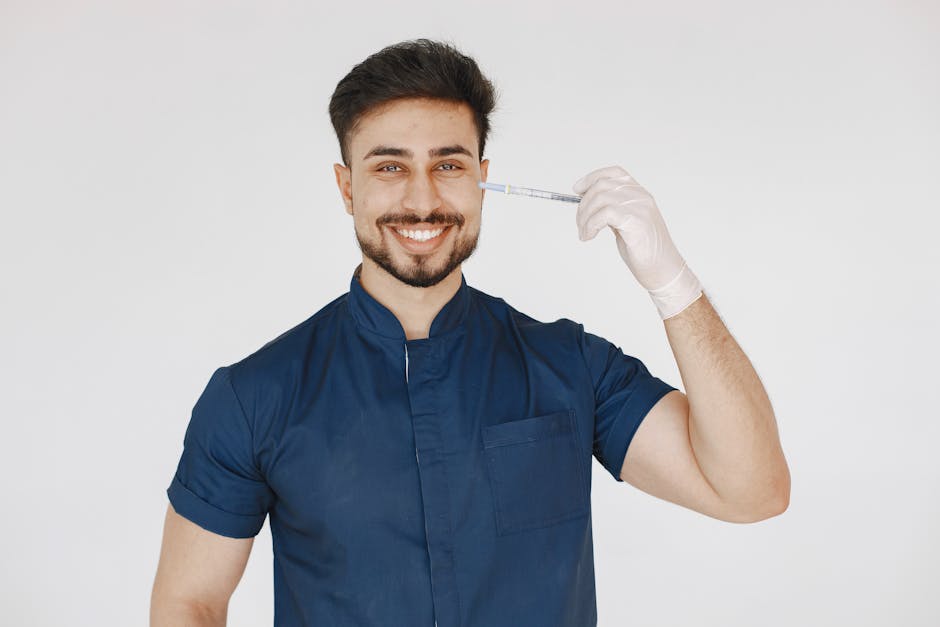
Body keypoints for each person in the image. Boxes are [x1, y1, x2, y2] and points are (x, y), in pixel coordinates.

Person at [150, 38, 790, 627]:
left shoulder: (571, 366)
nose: (423, 200)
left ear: (483, 176)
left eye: (448, 166)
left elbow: (753, 492)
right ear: (347, 187)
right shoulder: (254, 396)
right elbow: (190, 600)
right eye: (390, 168)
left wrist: (672, 282)